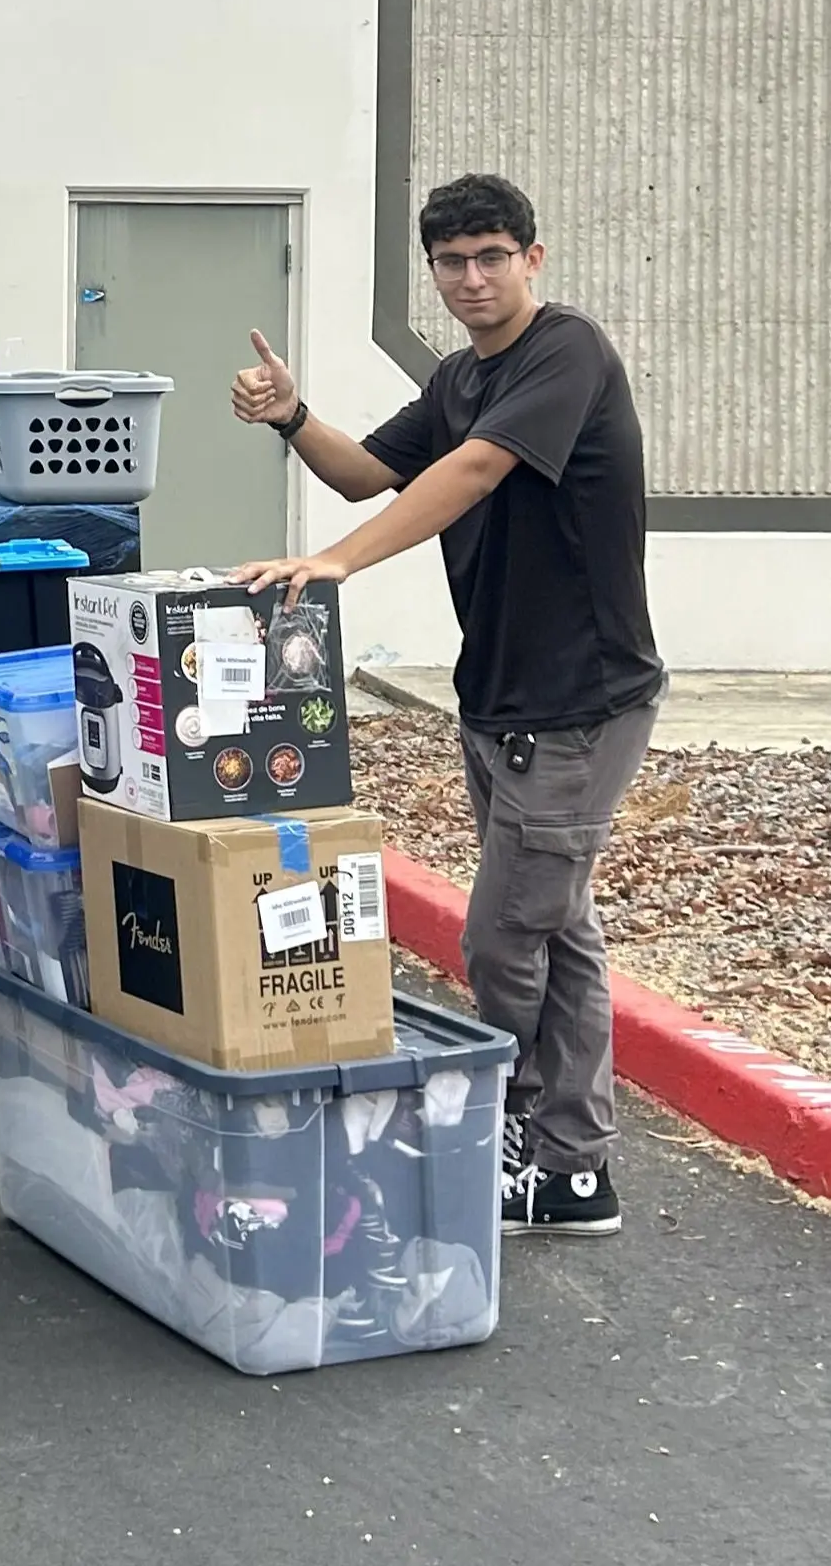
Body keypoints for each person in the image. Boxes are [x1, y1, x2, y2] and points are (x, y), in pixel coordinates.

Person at [226, 173, 664, 1239]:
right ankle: (571, 1167)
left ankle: (505, 1134)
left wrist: (334, 567)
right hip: (499, 699)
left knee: (505, 937)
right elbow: (365, 472)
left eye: (491, 256)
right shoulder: (461, 376)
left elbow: (470, 472)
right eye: (451, 261)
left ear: (532, 258)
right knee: (558, 930)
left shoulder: (566, 355)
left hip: (577, 701)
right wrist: (292, 414)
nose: (472, 277)